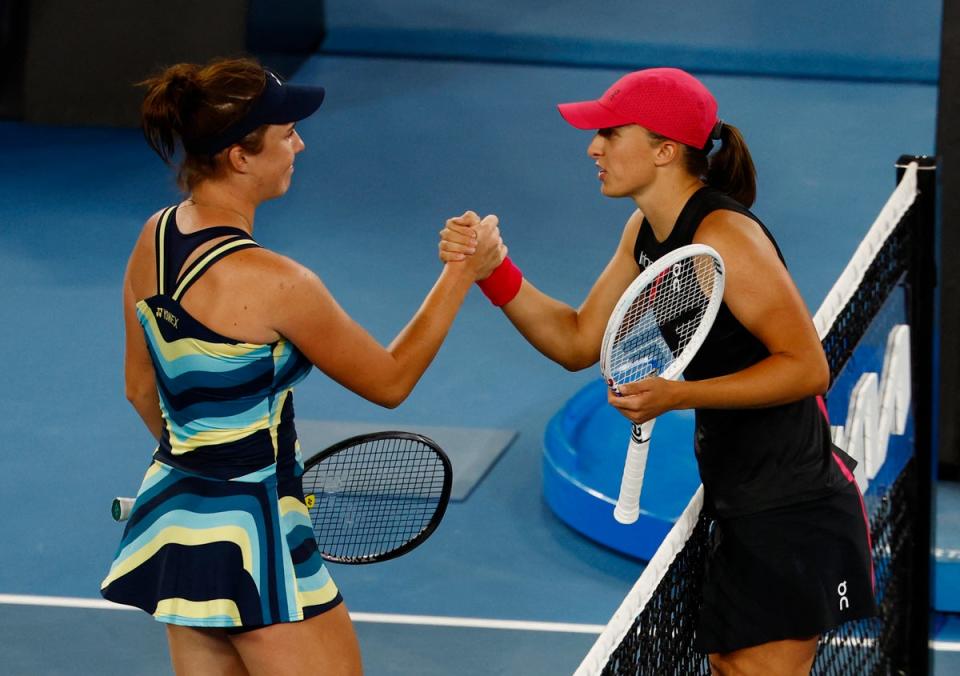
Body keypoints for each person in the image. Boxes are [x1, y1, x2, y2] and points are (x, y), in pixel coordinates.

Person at [439, 68, 876, 675]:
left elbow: (808, 368)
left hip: (793, 508)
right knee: (729, 666)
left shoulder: (725, 236)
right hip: (737, 494)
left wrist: (678, 394)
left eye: (611, 134)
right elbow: (576, 340)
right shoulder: (647, 230)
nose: (593, 147)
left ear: (665, 151)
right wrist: (494, 271)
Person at [100, 58, 504, 676]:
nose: (300, 144)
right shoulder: (281, 285)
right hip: (258, 546)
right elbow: (390, 379)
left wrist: (211, 477)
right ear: (241, 155)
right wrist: (461, 273)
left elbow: (138, 388)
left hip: (180, 530)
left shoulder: (153, 237)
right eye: (287, 134)